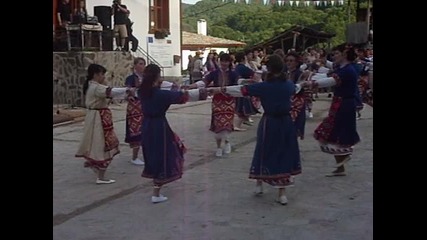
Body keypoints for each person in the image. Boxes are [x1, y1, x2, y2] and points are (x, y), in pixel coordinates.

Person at [209, 55, 308, 205]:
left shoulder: (264, 86)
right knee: (284, 153)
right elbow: (297, 87)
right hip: (286, 123)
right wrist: (305, 82)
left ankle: (260, 183)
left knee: (264, 151)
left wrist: (218, 90)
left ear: (268, 69)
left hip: (270, 122)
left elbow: (239, 90)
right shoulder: (287, 85)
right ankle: (281, 193)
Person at [139, 64, 209, 203]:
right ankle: (156, 192)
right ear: (157, 77)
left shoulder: (142, 92)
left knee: (154, 154)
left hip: (146, 126)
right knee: (164, 154)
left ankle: (157, 187)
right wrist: (208, 92)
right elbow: (183, 97)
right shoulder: (160, 94)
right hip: (159, 126)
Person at [305, 43, 361, 177]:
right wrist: (311, 78)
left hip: (345, 104)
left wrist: (312, 83)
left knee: (334, 132)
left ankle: (345, 155)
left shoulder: (348, 70)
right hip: (340, 102)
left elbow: (330, 81)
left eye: (336, 53)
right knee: (332, 133)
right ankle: (341, 165)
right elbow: (328, 77)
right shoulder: (343, 68)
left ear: (344, 54)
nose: (334, 56)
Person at [75, 64, 133, 184]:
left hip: (97, 118)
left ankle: (98, 169)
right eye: (102, 74)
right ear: (96, 75)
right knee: (102, 145)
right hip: (98, 119)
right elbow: (110, 92)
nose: (103, 77)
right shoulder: (96, 87)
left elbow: (109, 93)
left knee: (99, 144)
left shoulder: (93, 86)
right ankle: (100, 176)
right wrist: (127, 90)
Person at [187, 53, 239, 157]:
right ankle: (219, 147)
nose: (224, 63)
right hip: (217, 101)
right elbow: (203, 82)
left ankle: (227, 142)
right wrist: (191, 86)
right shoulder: (214, 73)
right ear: (219, 61)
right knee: (218, 123)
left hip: (229, 101)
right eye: (222, 61)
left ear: (229, 62)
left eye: (226, 61)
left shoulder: (234, 74)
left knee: (227, 123)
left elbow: (238, 86)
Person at [124, 58, 146, 166]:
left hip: (144, 106)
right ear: (135, 65)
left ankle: (144, 155)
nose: (142, 66)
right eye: (140, 64)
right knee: (136, 130)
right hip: (135, 108)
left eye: (143, 64)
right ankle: (134, 157)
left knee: (145, 130)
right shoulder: (131, 78)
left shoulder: (146, 78)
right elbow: (127, 91)